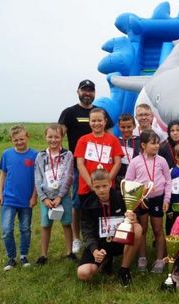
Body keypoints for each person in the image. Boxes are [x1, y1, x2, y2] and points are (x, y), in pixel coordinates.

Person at [58, 79, 114, 254]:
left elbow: (110, 137)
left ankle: (103, 235)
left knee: (102, 201)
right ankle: (76, 238)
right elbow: (58, 136)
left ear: (94, 93)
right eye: (84, 90)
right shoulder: (69, 113)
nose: (87, 93)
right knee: (78, 204)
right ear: (78, 91)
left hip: (102, 170)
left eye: (91, 90)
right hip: (79, 167)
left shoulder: (101, 112)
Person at [76, 169, 142, 286]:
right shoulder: (87, 204)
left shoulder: (121, 197)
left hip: (120, 240)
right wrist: (94, 250)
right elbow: (87, 232)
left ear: (110, 183)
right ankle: (105, 260)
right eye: (97, 187)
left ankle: (124, 270)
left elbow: (135, 217)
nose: (101, 190)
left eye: (104, 186)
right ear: (92, 187)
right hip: (100, 244)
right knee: (83, 273)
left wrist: (133, 218)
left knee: (137, 229)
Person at [125, 129, 171, 273]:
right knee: (143, 229)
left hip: (158, 199)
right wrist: (138, 198)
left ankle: (159, 259)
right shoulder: (135, 162)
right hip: (142, 201)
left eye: (158, 143)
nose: (157, 146)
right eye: (153, 143)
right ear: (143, 145)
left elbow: (168, 181)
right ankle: (142, 257)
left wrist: (166, 198)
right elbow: (128, 182)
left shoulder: (162, 161)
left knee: (158, 229)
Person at [0, 125, 38, 271]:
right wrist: (0, 193)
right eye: (16, 140)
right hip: (9, 199)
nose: (19, 142)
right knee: (6, 229)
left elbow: (37, 179)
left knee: (25, 228)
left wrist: (34, 196)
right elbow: (3, 174)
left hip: (26, 200)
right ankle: (11, 257)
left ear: (27, 137)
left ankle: (24, 256)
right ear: (11, 140)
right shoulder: (6, 154)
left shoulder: (35, 155)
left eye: (21, 139)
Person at [34, 124, 76, 265]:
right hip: (46, 197)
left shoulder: (68, 155)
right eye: (50, 137)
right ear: (45, 137)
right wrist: (44, 198)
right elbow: (38, 178)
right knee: (46, 225)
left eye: (57, 137)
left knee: (66, 224)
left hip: (63, 197)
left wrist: (60, 196)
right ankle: (43, 254)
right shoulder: (40, 156)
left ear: (62, 137)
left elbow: (69, 176)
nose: (53, 140)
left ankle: (69, 252)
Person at [75, 108, 123, 208]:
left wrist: (106, 182)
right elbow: (80, 164)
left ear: (105, 121)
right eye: (93, 121)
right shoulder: (83, 140)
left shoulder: (113, 140)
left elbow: (117, 163)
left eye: (99, 120)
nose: (96, 123)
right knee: (89, 219)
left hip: (107, 188)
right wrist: (91, 184)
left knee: (108, 218)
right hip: (87, 187)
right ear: (89, 122)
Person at [117, 114, 140, 179]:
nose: (126, 130)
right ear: (119, 127)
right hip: (119, 177)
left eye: (129, 127)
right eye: (123, 127)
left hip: (137, 177)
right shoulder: (116, 141)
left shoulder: (140, 140)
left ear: (134, 126)